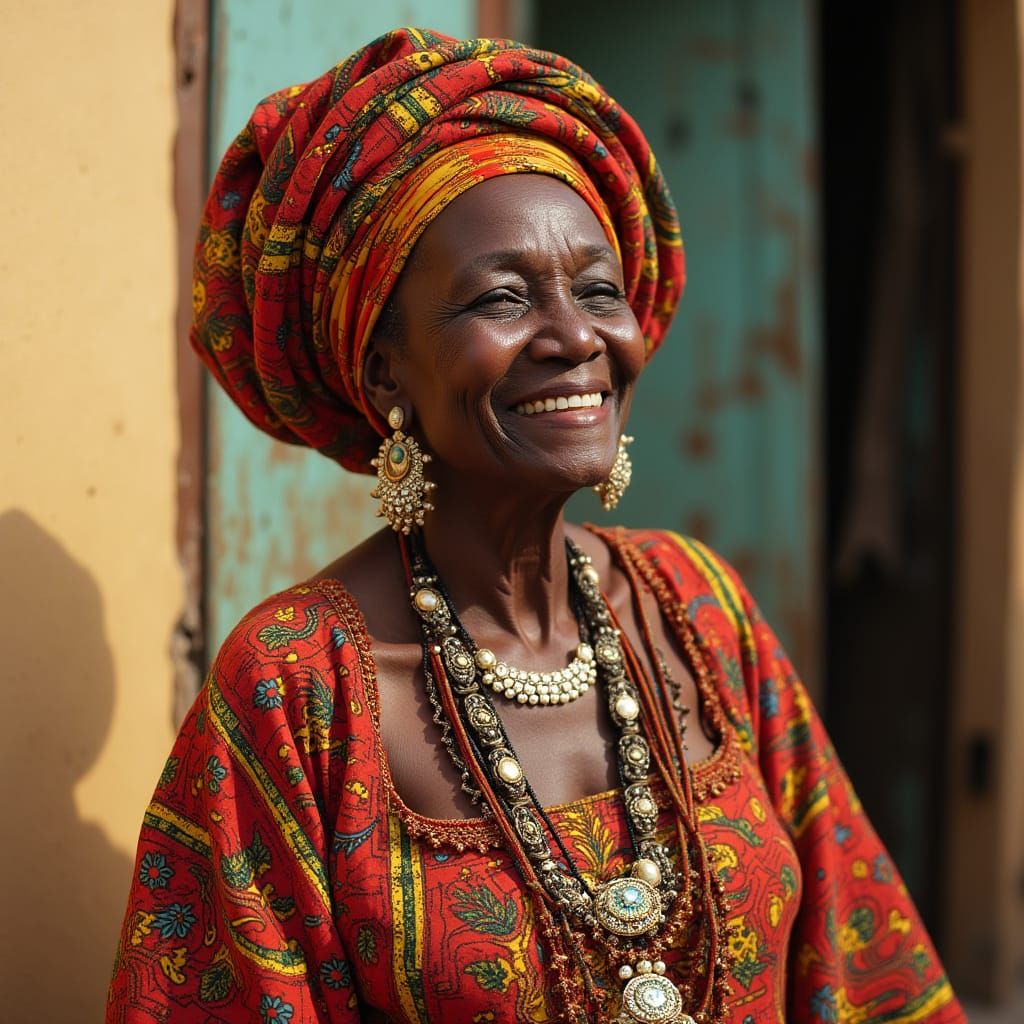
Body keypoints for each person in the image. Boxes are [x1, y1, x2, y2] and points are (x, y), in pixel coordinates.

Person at [108, 27, 965, 1024]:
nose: (576, 337)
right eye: (502, 298)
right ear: (383, 369)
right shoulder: (297, 686)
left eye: (599, 290)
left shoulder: (696, 609)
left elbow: (860, 967)